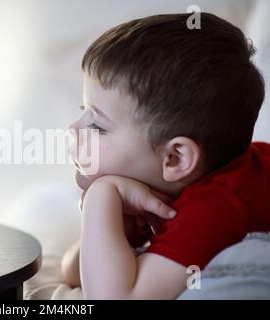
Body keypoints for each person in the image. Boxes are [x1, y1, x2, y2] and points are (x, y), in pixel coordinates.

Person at [62, 12, 270, 299]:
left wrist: (101, 195)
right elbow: (75, 274)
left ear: (176, 158)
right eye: (81, 110)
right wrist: (110, 221)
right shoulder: (172, 186)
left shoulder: (214, 209)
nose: (73, 129)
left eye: (97, 125)